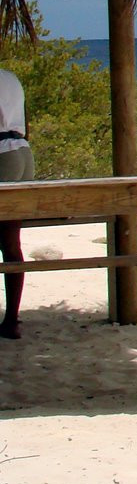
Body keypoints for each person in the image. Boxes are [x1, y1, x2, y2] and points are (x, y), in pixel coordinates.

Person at [0, 66, 33, 339]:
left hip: (1, 155)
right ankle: (12, 319)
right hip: (22, 153)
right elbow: (26, 124)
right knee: (11, 244)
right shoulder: (12, 77)